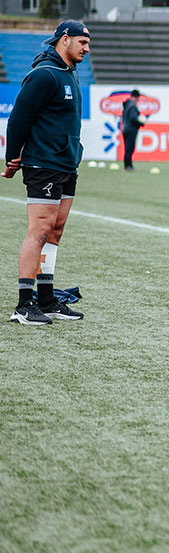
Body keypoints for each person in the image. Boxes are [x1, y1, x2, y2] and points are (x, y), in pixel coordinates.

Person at [3, 20, 91, 325]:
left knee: (55, 231)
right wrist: (13, 157)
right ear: (64, 40)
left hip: (67, 164)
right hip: (44, 165)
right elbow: (18, 119)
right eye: (82, 42)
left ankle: (46, 299)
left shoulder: (70, 73)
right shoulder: (43, 75)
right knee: (39, 231)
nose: (86, 48)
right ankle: (24, 305)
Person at [121, 89, 145, 171]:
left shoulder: (127, 104)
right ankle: (128, 165)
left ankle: (128, 165)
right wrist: (141, 123)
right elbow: (133, 118)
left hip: (125, 128)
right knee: (130, 148)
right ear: (136, 97)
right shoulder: (133, 106)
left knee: (127, 147)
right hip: (131, 129)